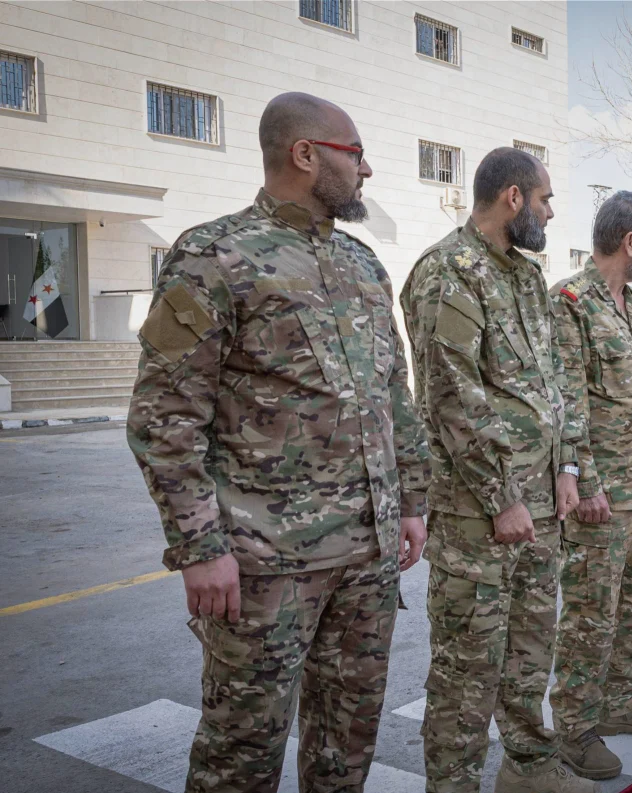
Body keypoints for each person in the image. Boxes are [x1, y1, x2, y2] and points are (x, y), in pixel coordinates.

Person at [127, 91, 429, 793]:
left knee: (347, 744)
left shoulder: (363, 265)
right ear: (306, 154)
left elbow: (395, 395)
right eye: (356, 155)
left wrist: (412, 501)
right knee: (241, 753)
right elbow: (163, 416)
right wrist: (199, 547)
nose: (367, 170)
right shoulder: (213, 255)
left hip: (368, 557)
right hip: (265, 565)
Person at [400, 147, 595, 793]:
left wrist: (567, 466)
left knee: (530, 649)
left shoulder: (526, 277)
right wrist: (500, 495)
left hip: (541, 504)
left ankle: (528, 767)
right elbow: (451, 396)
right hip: (478, 514)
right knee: (467, 666)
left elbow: (553, 381)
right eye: (545, 199)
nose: (550, 211)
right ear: (513, 198)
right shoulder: (447, 270)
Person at [546, 191, 632, 781]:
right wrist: (587, 483)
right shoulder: (571, 304)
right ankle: (574, 727)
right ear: (629, 242)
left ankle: (619, 699)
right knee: (590, 615)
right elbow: (566, 403)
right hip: (604, 498)